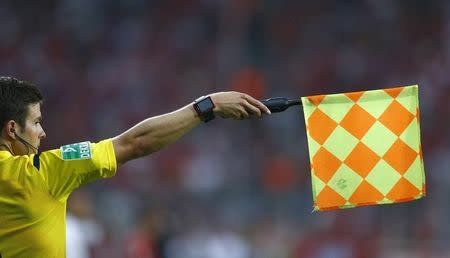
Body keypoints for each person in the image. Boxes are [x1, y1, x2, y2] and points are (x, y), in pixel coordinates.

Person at [0, 76, 271, 257]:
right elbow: (134, 143)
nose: (42, 132)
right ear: (13, 128)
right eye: (36, 122)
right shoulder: (41, 174)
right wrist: (208, 106)